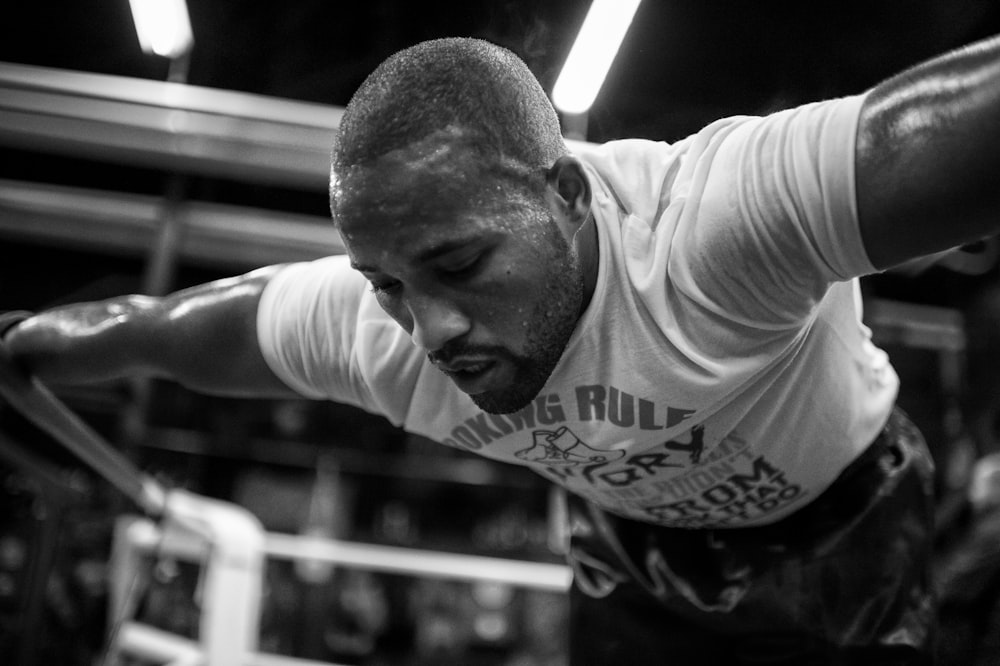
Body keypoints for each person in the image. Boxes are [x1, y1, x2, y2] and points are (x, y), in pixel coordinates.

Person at [3, 33, 1000, 664]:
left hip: (850, 531)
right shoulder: (365, 329)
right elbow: (165, 332)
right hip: (633, 557)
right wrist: (28, 343)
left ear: (567, 198)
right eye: (389, 283)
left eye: (463, 264)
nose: (429, 329)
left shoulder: (712, 227)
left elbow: (939, 133)